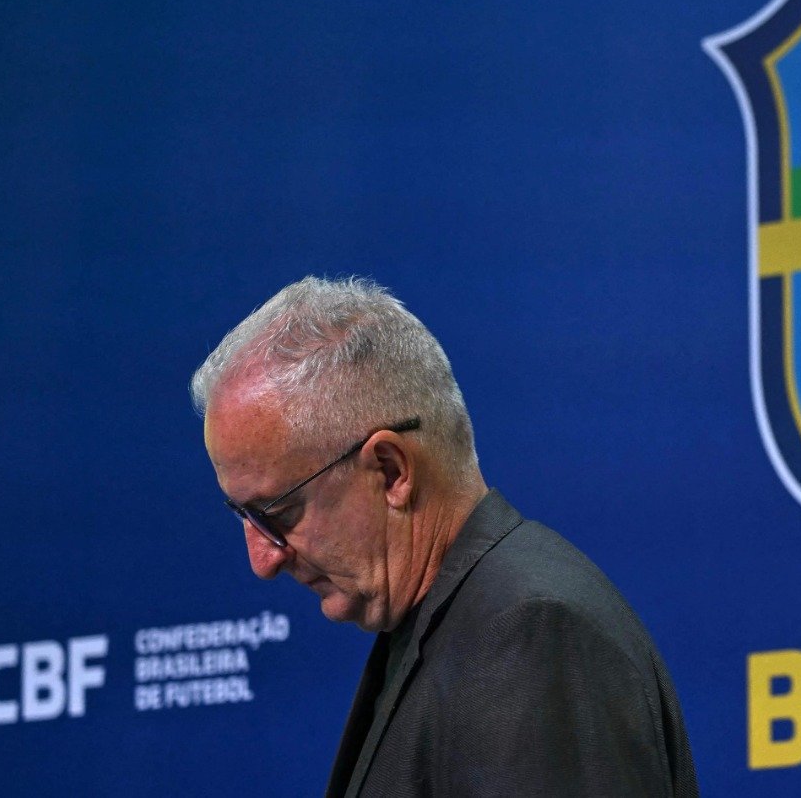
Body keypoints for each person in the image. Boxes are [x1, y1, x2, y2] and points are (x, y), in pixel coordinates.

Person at [192, 276, 698, 798]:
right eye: (243, 516)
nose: (262, 559)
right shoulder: (451, 629)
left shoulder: (531, 634)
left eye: (278, 511)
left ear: (391, 471)